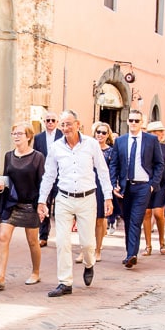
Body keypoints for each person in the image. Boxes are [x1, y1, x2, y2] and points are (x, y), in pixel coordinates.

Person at [37, 110, 113, 297]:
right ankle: (65, 282)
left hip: (87, 199)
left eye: (68, 124)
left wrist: (108, 196)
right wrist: (42, 200)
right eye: (62, 124)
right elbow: (49, 175)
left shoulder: (92, 144)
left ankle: (89, 264)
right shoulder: (56, 147)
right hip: (64, 198)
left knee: (87, 244)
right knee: (63, 242)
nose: (65, 128)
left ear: (78, 124)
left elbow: (103, 171)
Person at [0, 122, 44, 289]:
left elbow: (42, 182)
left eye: (20, 133)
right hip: (11, 203)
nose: (16, 136)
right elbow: (6, 177)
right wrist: (0, 184)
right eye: (14, 133)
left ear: (28, 136)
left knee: (33, 241)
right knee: (3, 237)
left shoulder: (37, 157)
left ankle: (36, 272)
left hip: (29, 204)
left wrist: (41, 204)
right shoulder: (8, 155)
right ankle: (0, 277)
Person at [109, 110, 164, 268]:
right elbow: (114, 164)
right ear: (128, 122)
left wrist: (152, 185)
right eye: (131, 120)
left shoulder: (151, 140)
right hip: (125, 186)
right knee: (127, 220)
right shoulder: (120, 141)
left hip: (143, 186)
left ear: (142, 123)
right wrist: (114, 183)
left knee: (136, 220)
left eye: (136, 121)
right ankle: (129, 253)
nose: (133, 123)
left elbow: (159, 164)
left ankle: (132, 254)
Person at [85, 121, 116, 262]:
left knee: (99, 220)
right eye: (98, 132)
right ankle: (84, 250)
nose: (100, 135)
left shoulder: (111, 151)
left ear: (107, 135)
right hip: (87, 184)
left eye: (104, 132)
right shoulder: (87, 148)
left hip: (102, 186)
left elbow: (112, 170)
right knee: (85, 220)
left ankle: (97, 250)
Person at [32, 111, 63, 247]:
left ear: (57, 123)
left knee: (61, 206)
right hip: (44, 177)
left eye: (53, 120)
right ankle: (43, 236)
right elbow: (35, 156)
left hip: (61, 176)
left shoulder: (62, 136)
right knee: (44, 204)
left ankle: (63, 236)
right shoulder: (38, 138)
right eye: (47, 120)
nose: (50, 122)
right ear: (44, 122)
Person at [141, 121, 165, 256]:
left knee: (158, 213)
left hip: (161, 182)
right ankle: (148, 245)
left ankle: (162, 241)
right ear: (152, 133)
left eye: (161, 131)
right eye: (159, 131)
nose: (162, 134)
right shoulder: (144, 146)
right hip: (146, 181)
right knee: (146, 213)